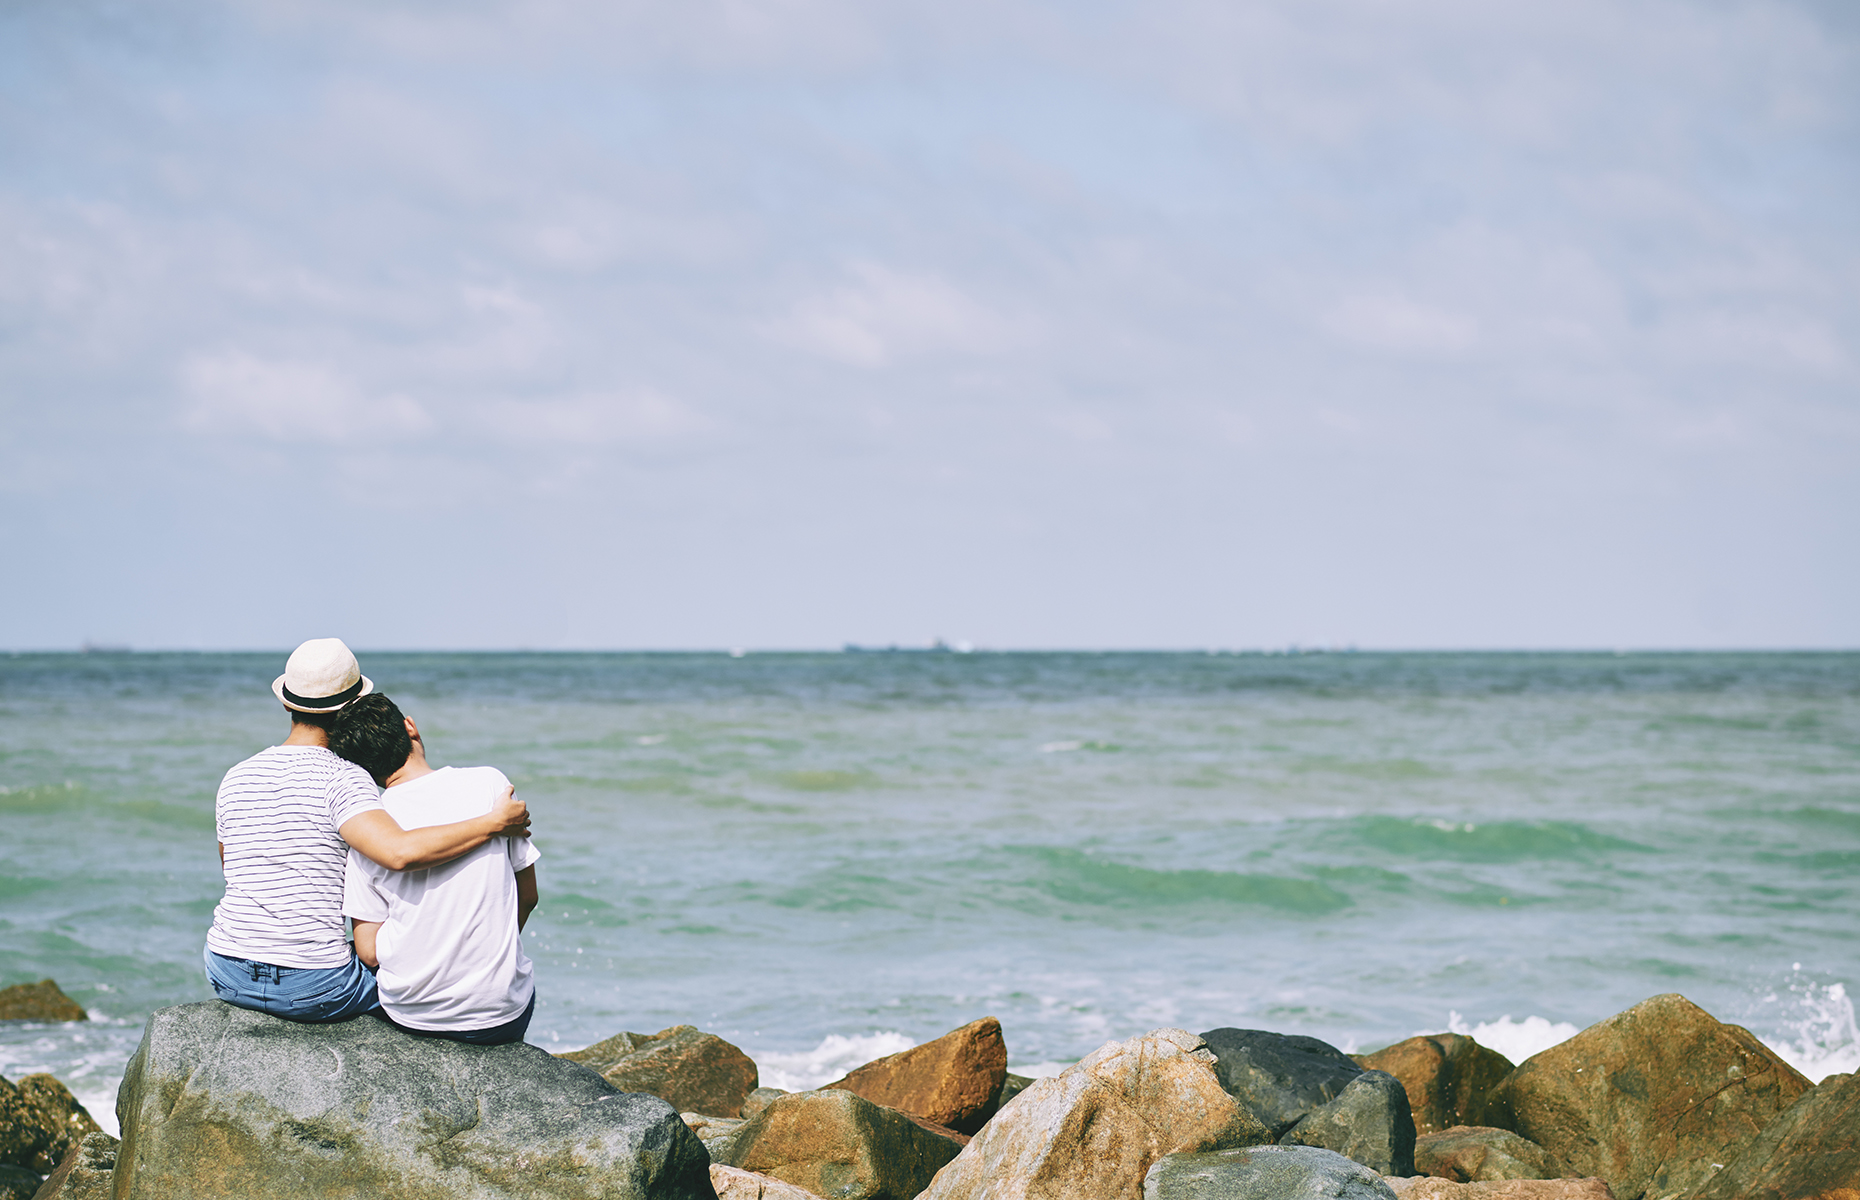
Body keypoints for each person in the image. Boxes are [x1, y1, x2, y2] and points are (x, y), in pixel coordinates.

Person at [204, 638, 531, 1022]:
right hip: (313, 985)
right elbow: (399, 852)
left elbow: (234, 869)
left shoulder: (237, 775)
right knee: (409, 976)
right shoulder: (344, 778)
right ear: (354, 704)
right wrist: (492, 823)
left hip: (224, 968)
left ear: (287, 702)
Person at [331, 693, 540, 1045]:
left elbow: (368, 950)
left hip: (413, 1015)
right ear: (410, 727)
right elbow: (529, 896)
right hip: (501, 1012)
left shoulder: (371, 830)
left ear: (360, 769)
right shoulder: (490, 784)